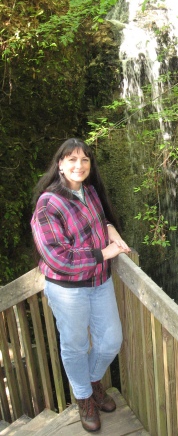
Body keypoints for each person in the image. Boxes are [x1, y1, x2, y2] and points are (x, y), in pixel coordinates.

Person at [31, 138, 130, 432]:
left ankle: (91, 381)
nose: (79, 165)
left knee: (111, 340)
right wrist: (104, 253)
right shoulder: (48, 203)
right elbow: (58, 258)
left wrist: (111, 230)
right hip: (67, 289)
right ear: (60, 164)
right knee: (75, 346)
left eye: (84, 160)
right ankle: (85, 397)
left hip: (99, 281)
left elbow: (100, 223)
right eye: (72, 159)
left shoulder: (89, 191)